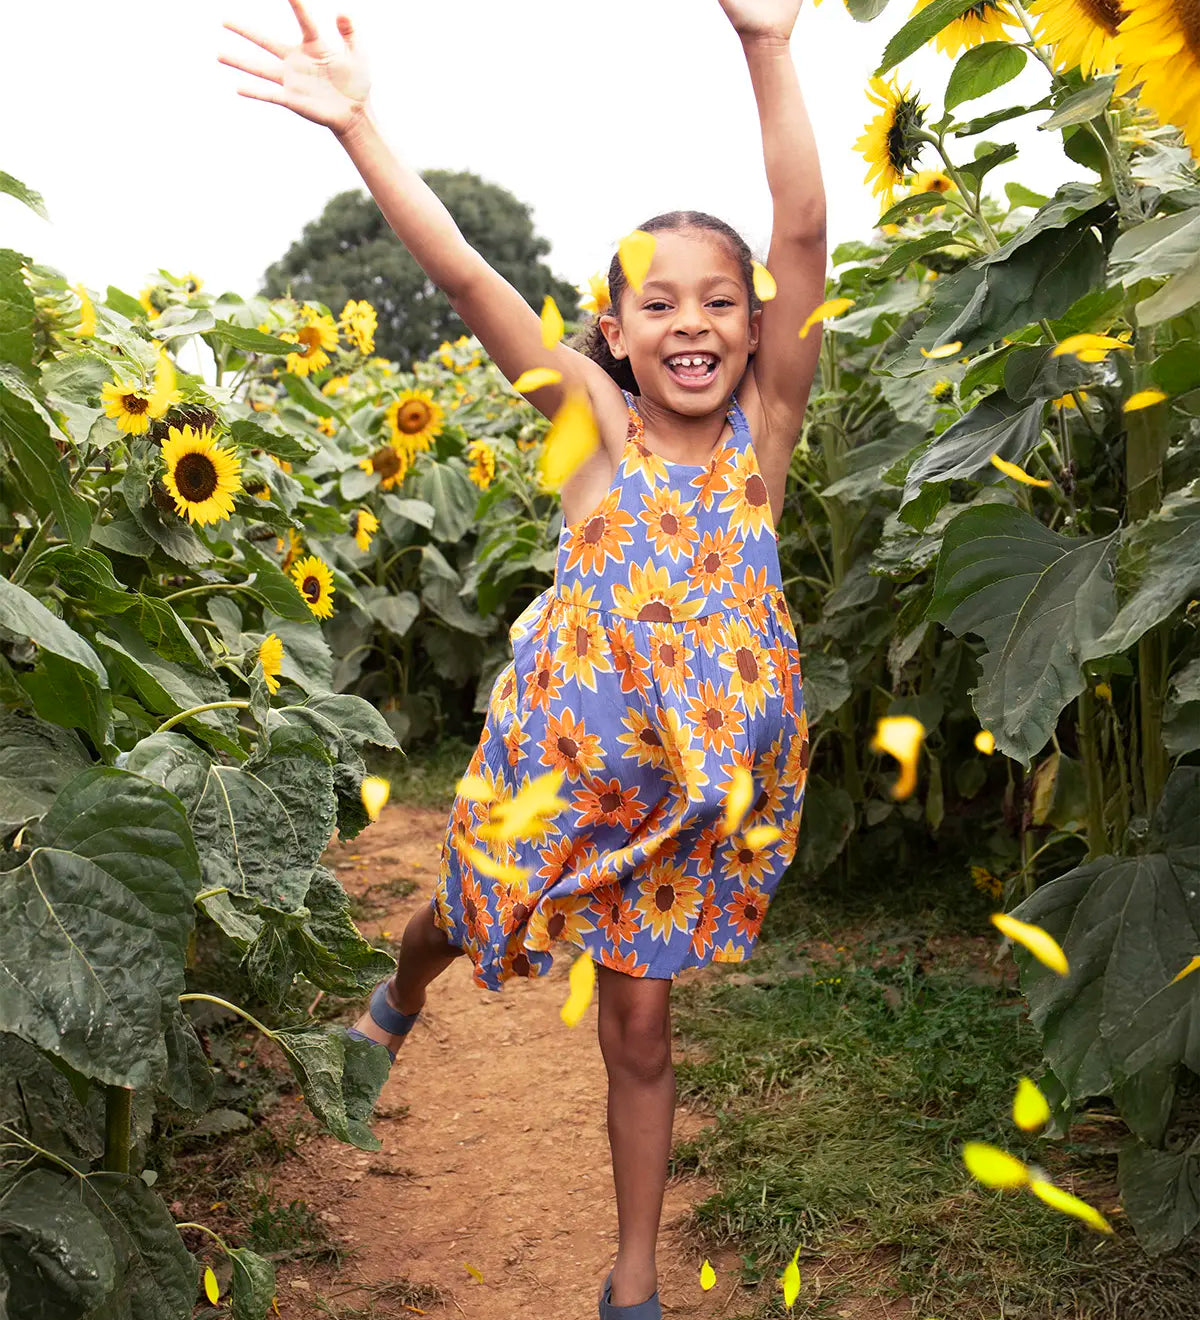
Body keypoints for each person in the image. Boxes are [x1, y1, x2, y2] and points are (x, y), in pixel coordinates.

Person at [221, 2, 825, 1314]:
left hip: (682, 804)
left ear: (754, 324)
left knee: (641, 1026)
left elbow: (805, 237)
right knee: (467, 911)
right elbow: (466, 281)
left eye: (721, 301)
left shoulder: (764, 439)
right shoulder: (592, 438)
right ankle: (399, 989)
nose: (694, 321)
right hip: (560, 768)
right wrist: (358, 126)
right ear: (611, 330)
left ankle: (634, 1275)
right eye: (657, 301)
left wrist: (766, 46)